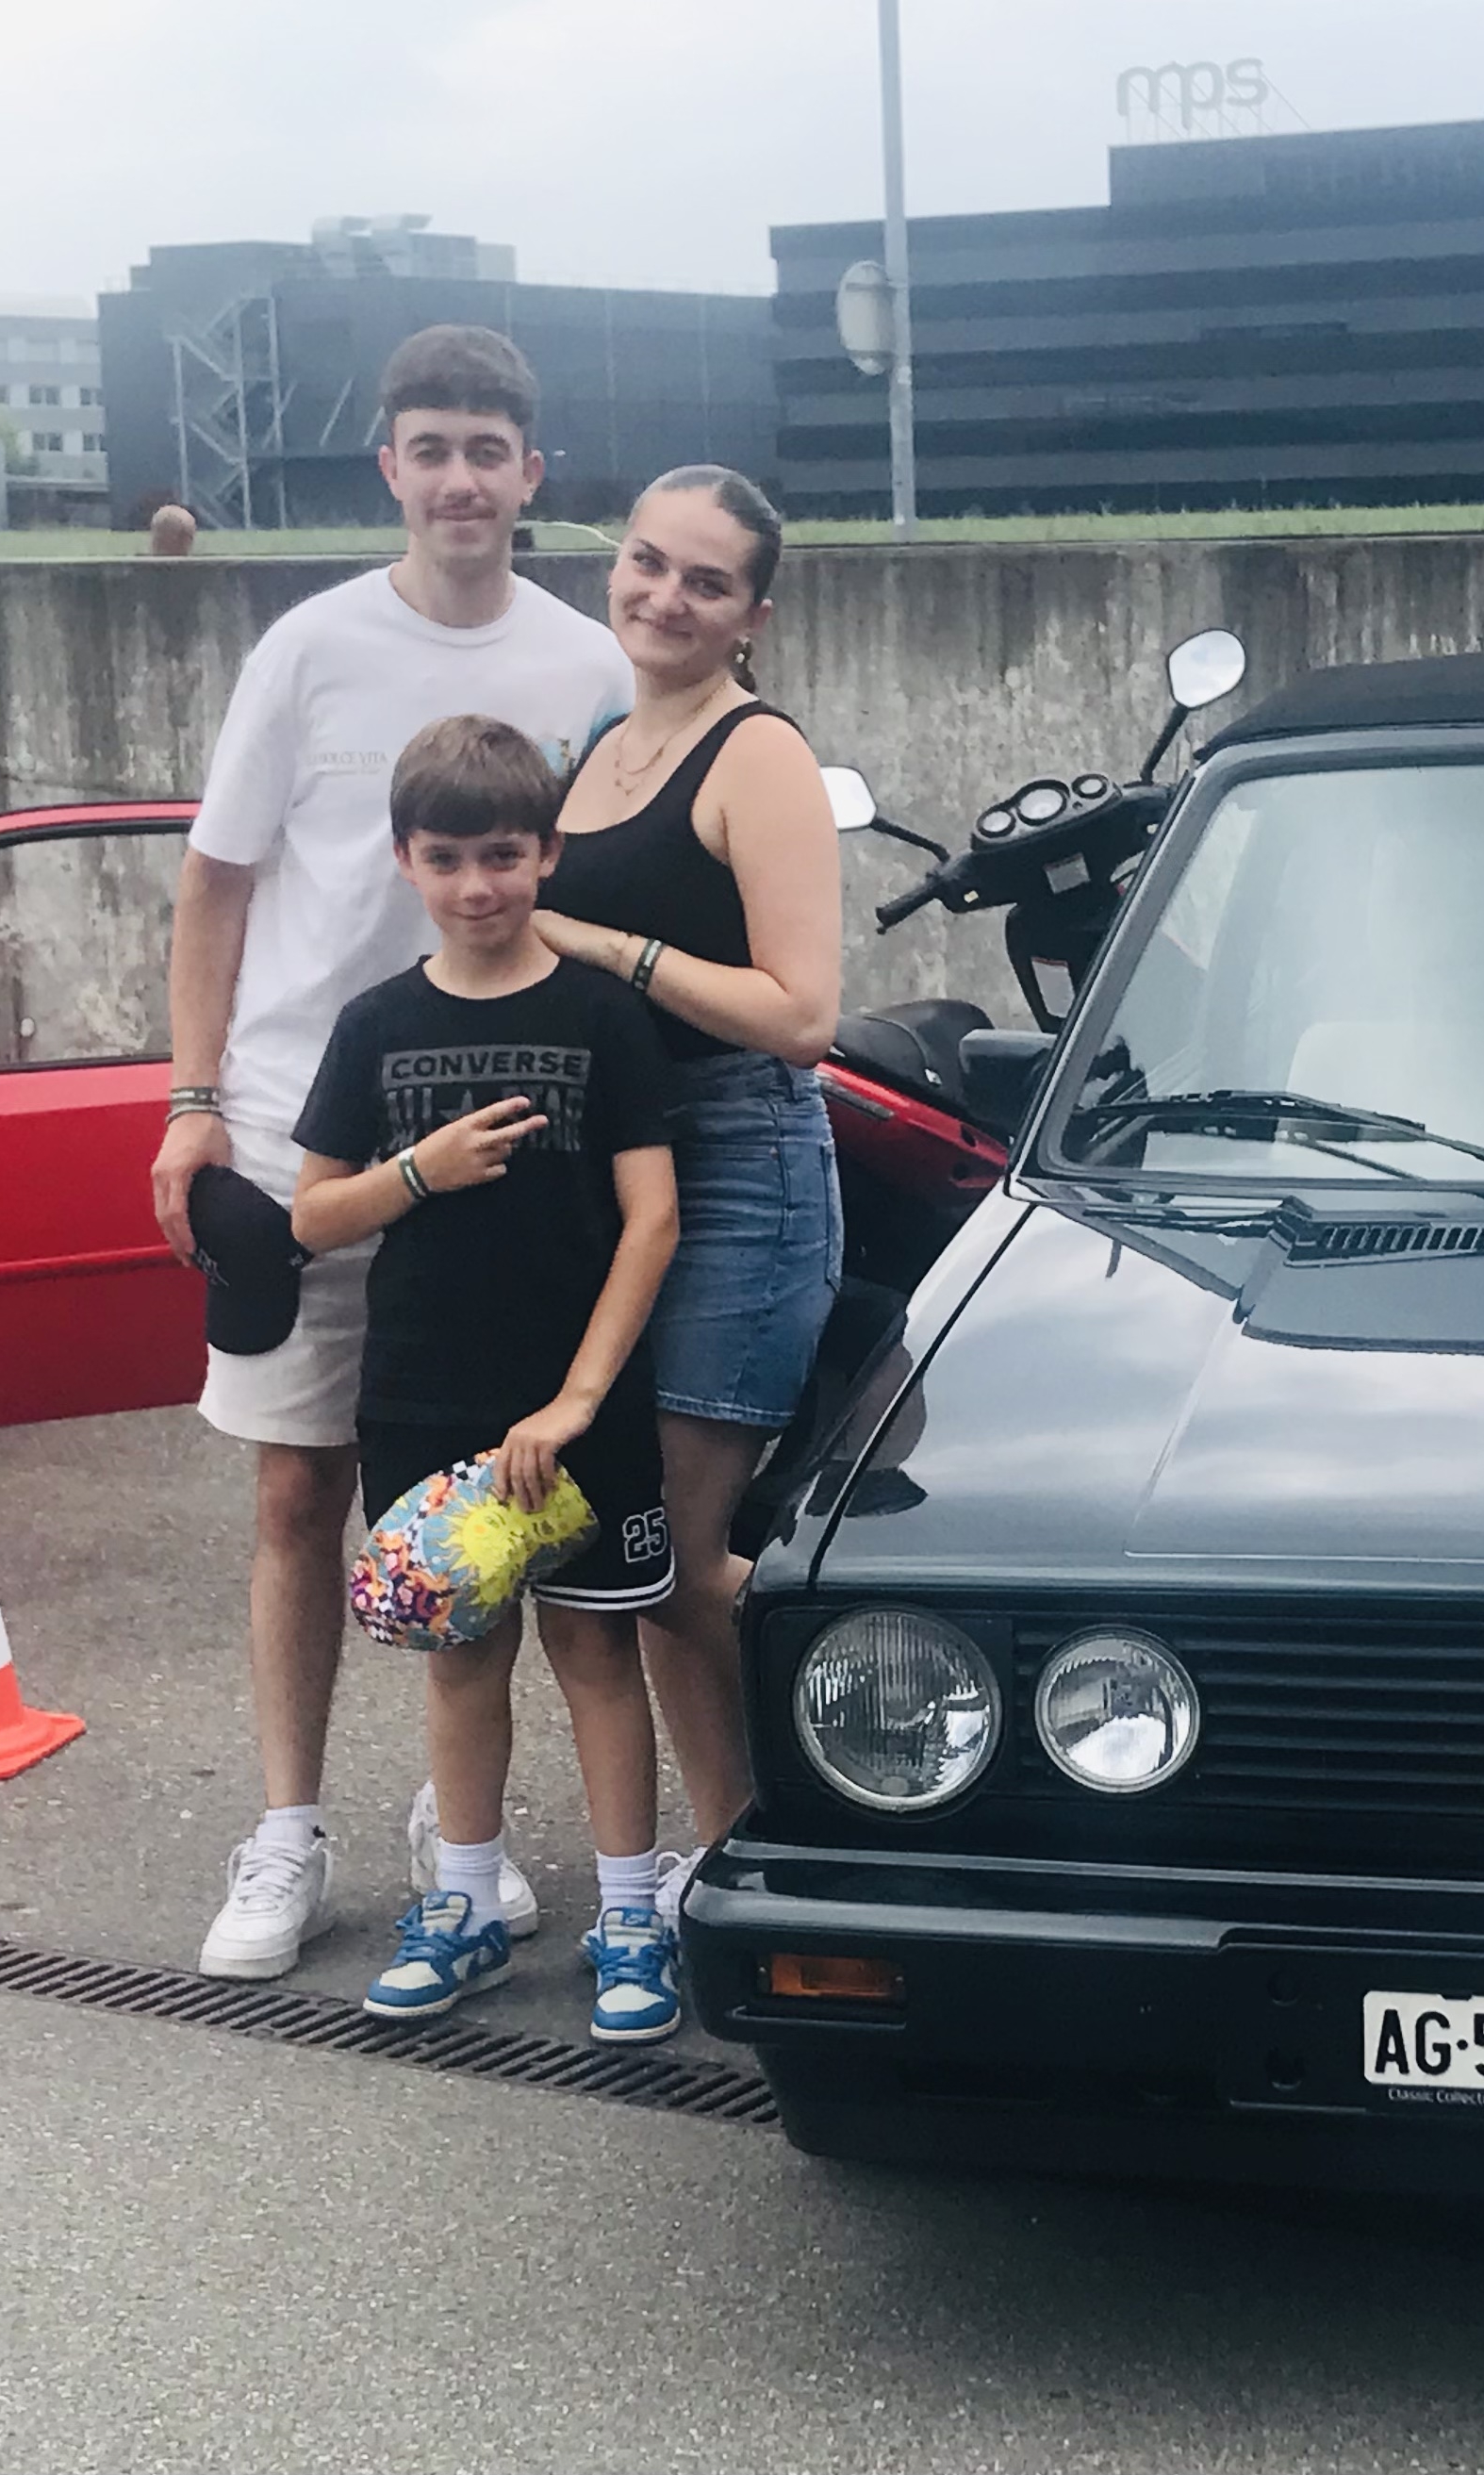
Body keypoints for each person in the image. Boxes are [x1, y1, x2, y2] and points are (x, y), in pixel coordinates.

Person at [150, 325, 631, 1982]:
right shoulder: (307, 648)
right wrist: (191, 1097)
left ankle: (459, 1824)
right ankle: (287, 1830)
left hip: (515, 1157)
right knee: (299, 1490)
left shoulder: (588, 665)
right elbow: (214, 881)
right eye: (431, 448)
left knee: (490, 1500)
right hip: (306, 1133)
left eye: (487, 451)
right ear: (389, 467)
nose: (460, 480)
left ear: (530, 473)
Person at [288, 716, 684, 2033]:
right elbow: (312, 1215)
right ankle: (463, 1909)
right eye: (448, 858)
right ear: (404, 858)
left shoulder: (605, 1016)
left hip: (579, 1411)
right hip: (423, 1399)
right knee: (459, 1655)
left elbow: (653, 1219)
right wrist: (418, 1172)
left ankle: (632, 1920)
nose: (477, 885)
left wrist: (577, 1401)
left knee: (597, 1650)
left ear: (547, 853)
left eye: (504, 854)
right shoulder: (374, 1025)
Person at [527, 466, 843, 1889]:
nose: (665, 596)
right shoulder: (604, 743)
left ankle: (867, 1748)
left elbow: (802, 1014)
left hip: (740, 1169)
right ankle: (734, 1857)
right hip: (616, 1174)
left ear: (751, 615)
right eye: (648, 562)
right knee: (653, 1554)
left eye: (706, 581)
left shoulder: (755, 753)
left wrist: (606, 950)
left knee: (678, 1546)